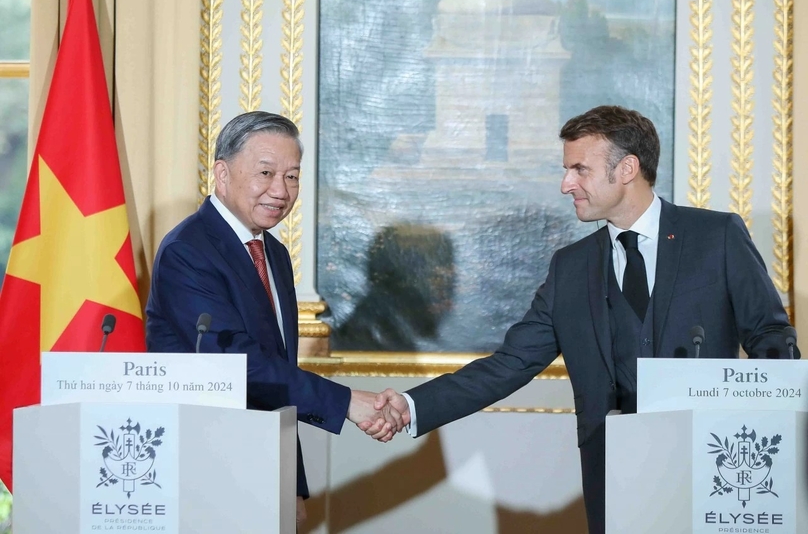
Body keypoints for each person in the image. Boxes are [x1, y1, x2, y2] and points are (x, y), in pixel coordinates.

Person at [367, 105, 801, 534]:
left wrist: (772, 425)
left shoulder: (716, 236)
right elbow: (510, 364)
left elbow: (770, 332)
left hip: (717, 471)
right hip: (612, 476)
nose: (565, 184)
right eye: (566, 169)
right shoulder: (569, 268)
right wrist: (410, 406)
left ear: (627, 168)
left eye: (579, 169)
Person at [145, 111, 401, 528]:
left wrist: (293, 483)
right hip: (202, 468)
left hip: (263, 467)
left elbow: (278, 377)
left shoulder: (272, 253)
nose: (280, 191)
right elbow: (237, 367)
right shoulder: (187, 252)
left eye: (292, 176)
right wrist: (347, 402)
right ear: (222, 175)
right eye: (265, 173)